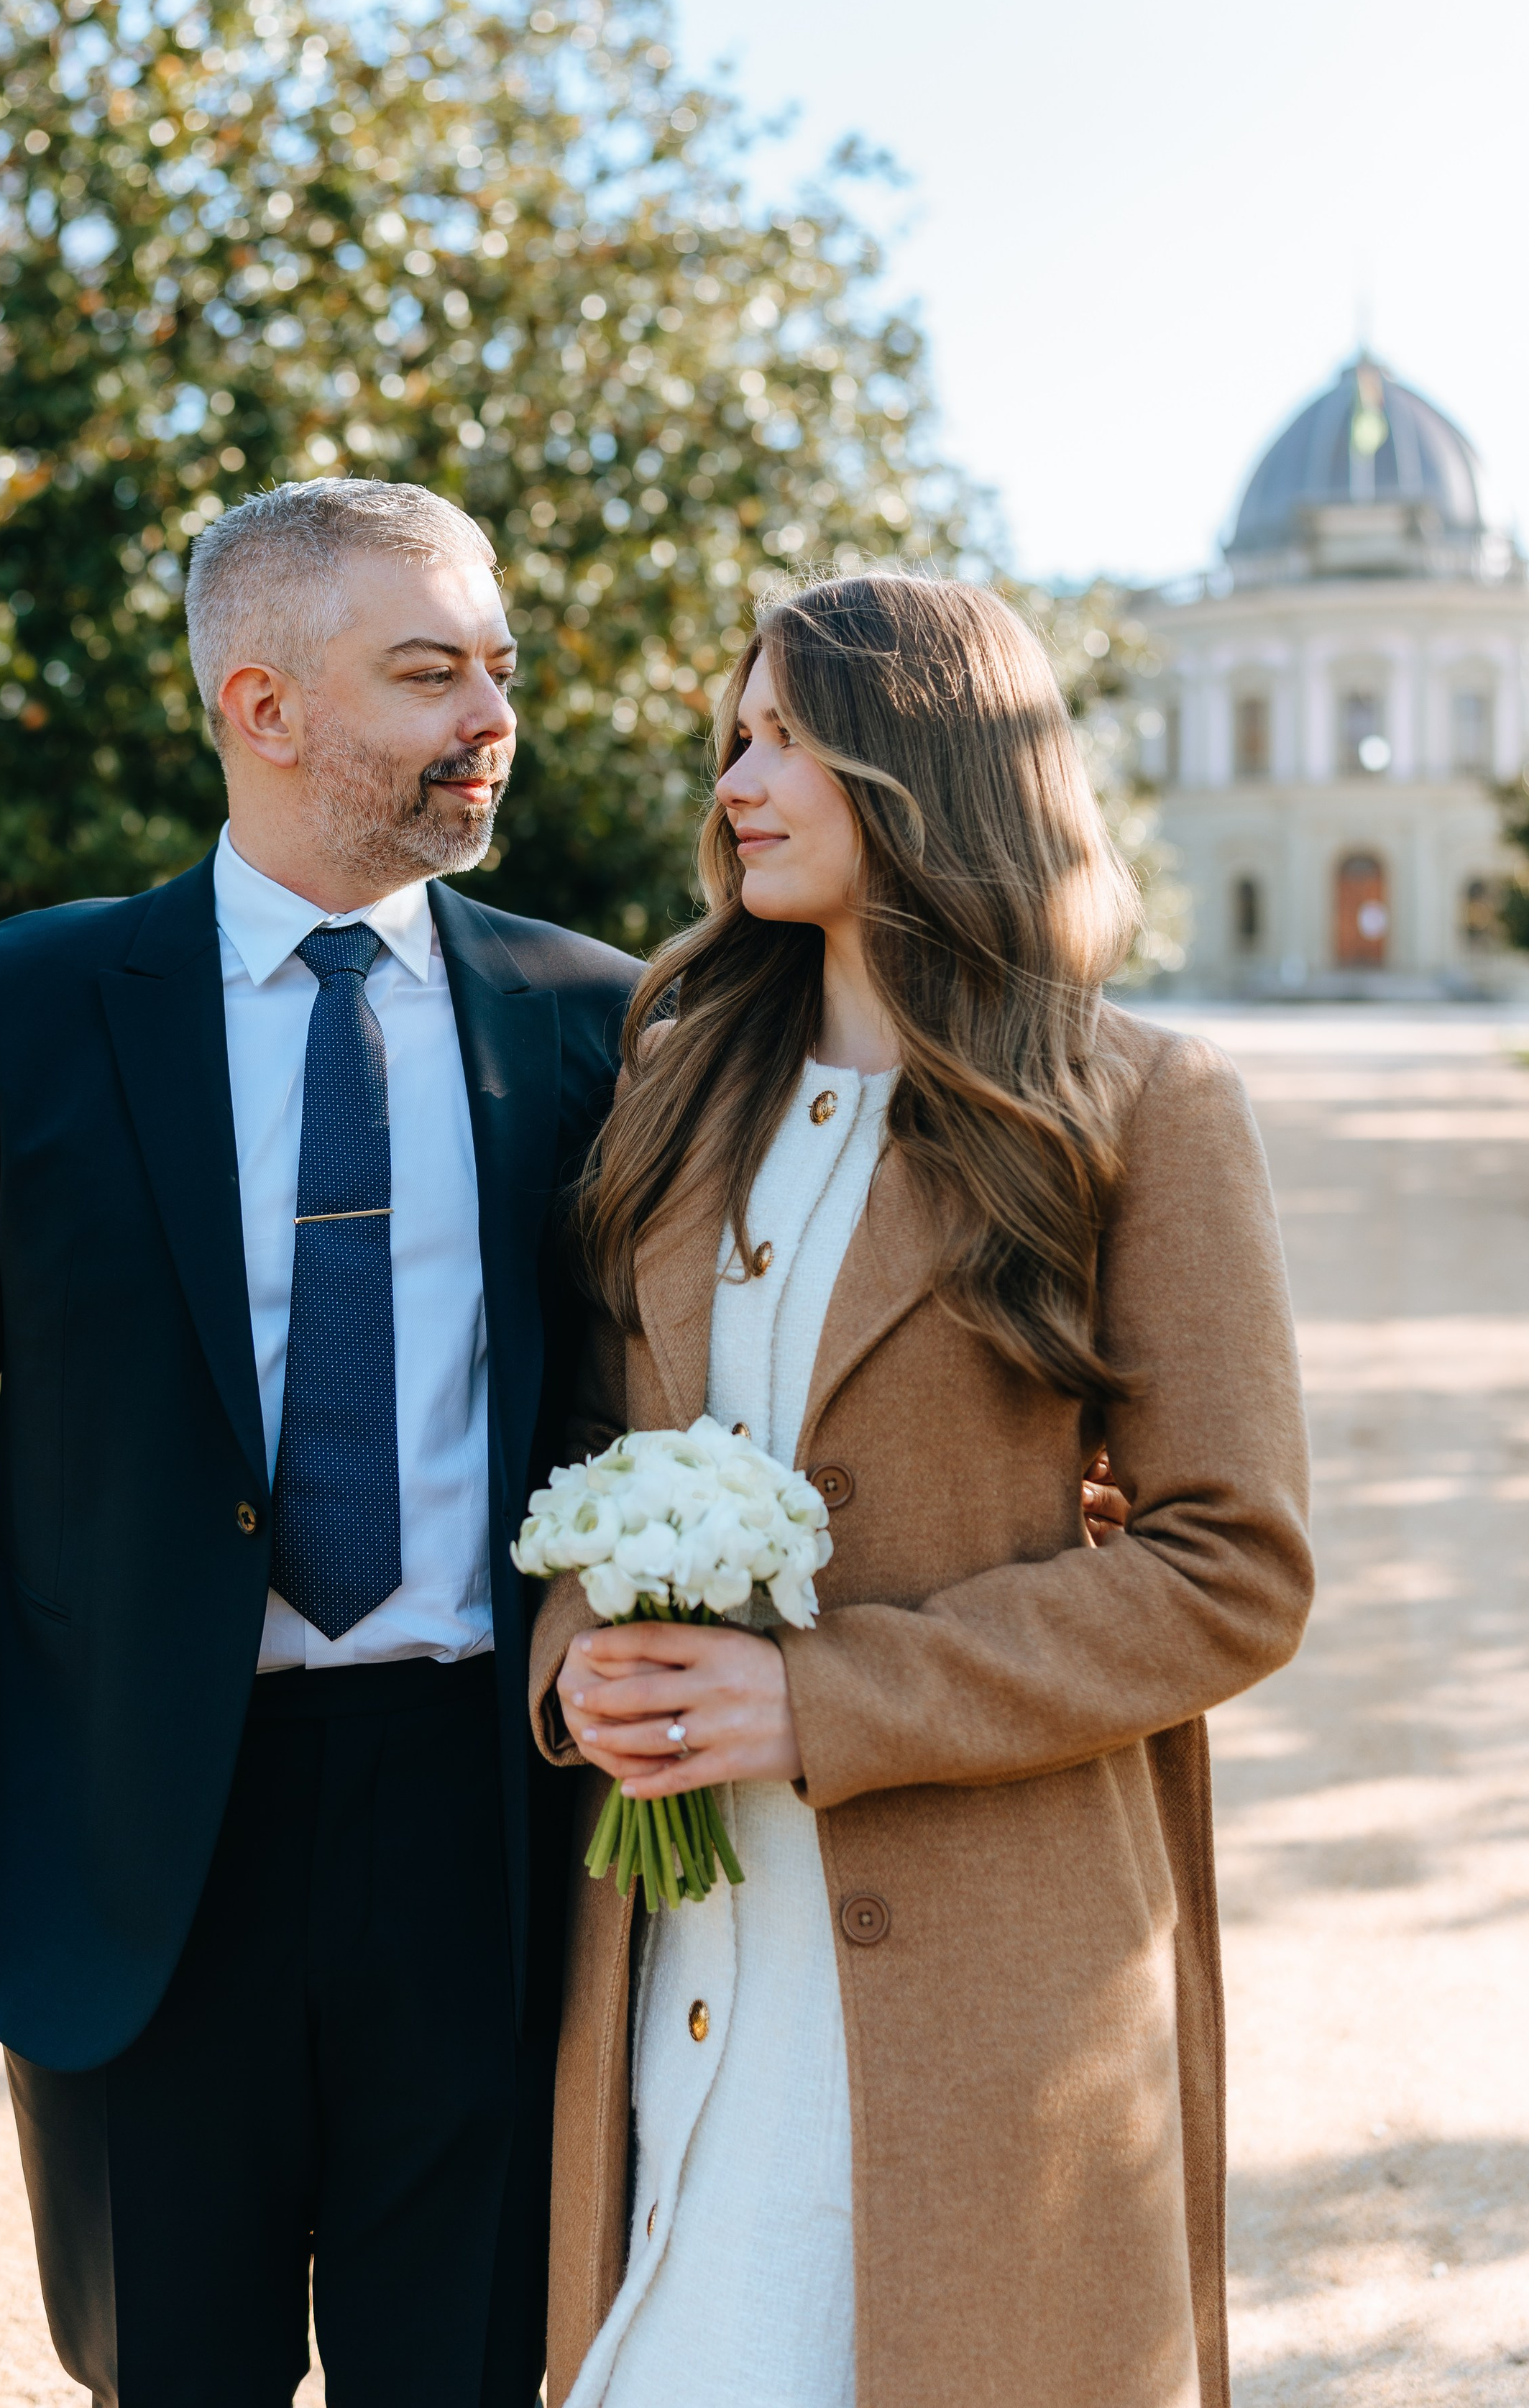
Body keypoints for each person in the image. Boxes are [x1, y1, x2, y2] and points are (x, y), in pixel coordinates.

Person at [0, 478, 640, 2408]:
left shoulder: (594, 1019)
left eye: (498, 668)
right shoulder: (9, 1010)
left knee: (475, 2367)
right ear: (262, 706)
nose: (488, 717)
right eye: (427, 672)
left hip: (483, 1817)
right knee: (172, 2370)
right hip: (138, 1838)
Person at [528, 570, 1314, 2408]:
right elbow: (575, 1448)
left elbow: (1231, 1567)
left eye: (789, 733)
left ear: (928, 761)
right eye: (734, 732)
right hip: (669, 1931)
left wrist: (816, 1698)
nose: (737, 774)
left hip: (984, 1969)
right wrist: (578, 1655)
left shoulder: (1138, 1106)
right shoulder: (670, 1086)